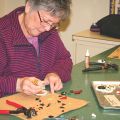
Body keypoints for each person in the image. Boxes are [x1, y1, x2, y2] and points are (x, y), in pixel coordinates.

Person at [0, 0, 73, 97]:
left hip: (42, 102)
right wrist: (18, 84)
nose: (47, 28)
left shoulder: (50, 31)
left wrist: (55, 73)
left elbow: (64, 59)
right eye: (46, 20)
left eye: (53, 24)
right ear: (29, 6)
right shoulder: (3, 34)